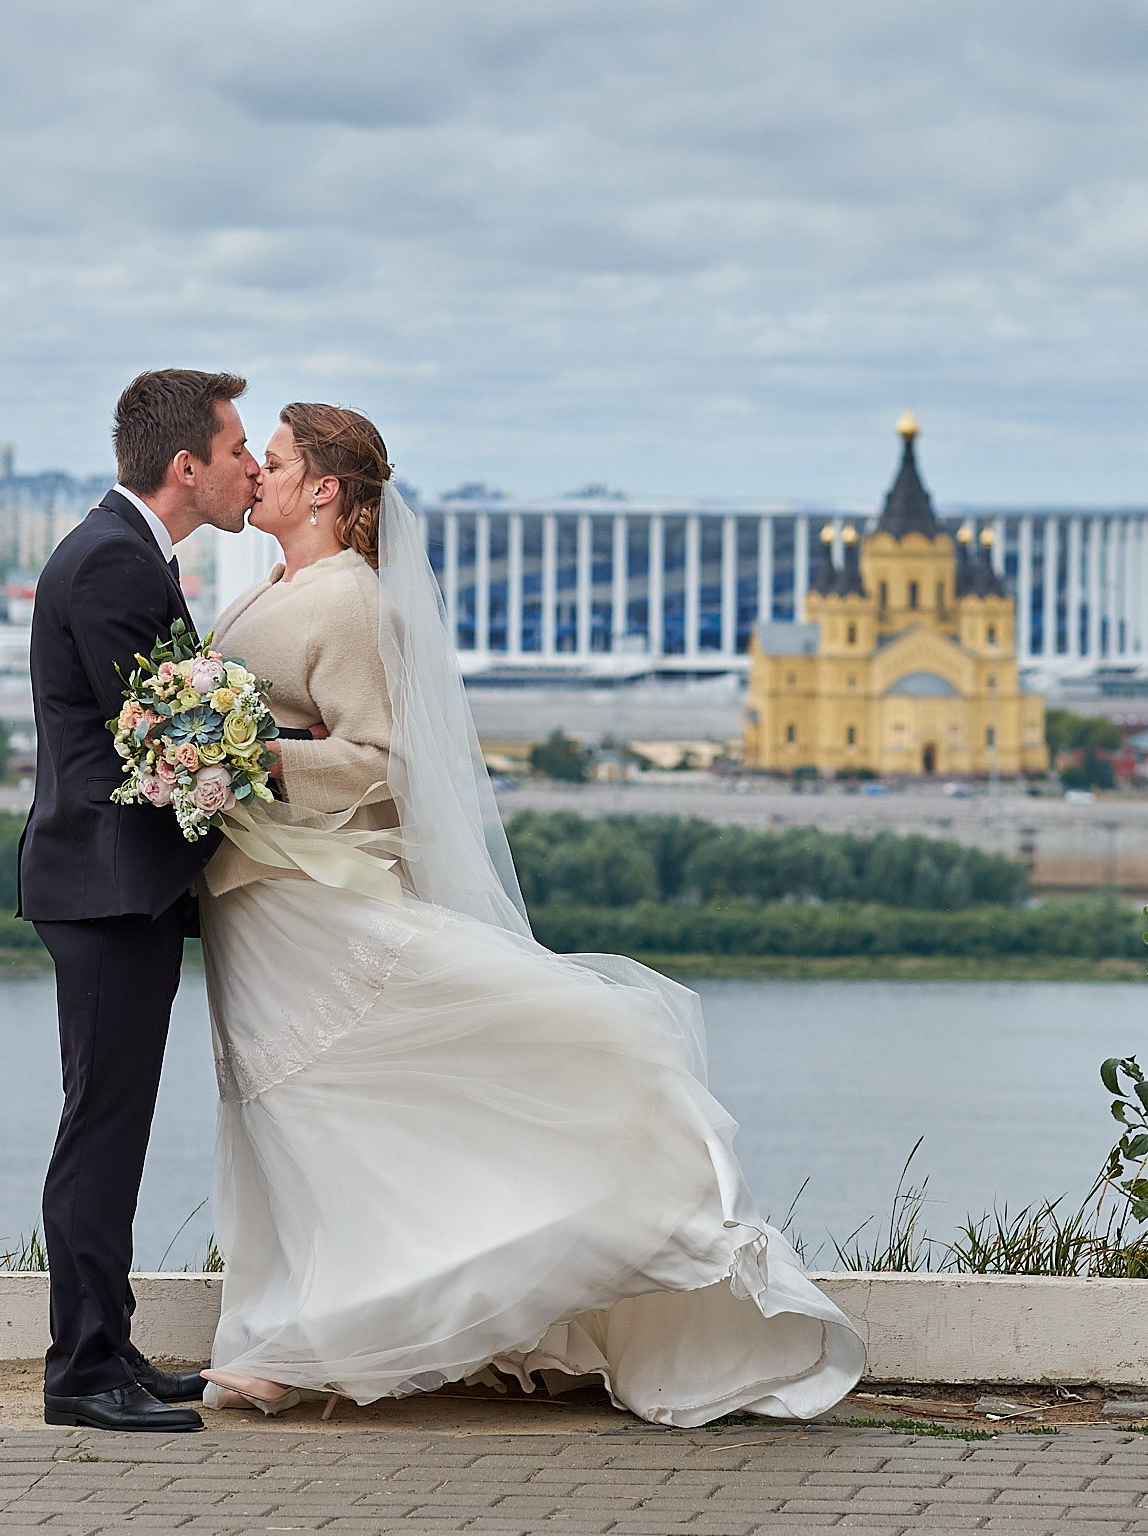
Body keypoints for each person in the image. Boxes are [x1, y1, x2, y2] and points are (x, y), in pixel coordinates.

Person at [188, 402, 863, 1426]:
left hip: (314, 891)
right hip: (255, 898)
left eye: (271, 461)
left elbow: (379, 761)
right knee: (291, 1114)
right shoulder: (268, 591)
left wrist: (246, 758)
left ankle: (309, 1345)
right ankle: (300, 1328)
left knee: (335, 1100)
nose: (255, 473)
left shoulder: (349, 599)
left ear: (323, 488)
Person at [17, 368, 259, 1432]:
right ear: (185, 466)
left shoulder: (120, 550)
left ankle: (107, 1345)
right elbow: (159, 736)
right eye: (237, 446)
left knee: (109, 1123)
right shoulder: (114, 562)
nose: (248, 464)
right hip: (106, 885)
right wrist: (262, 753)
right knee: (101, 1131)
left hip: (112, 886)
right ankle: (80, 1372)